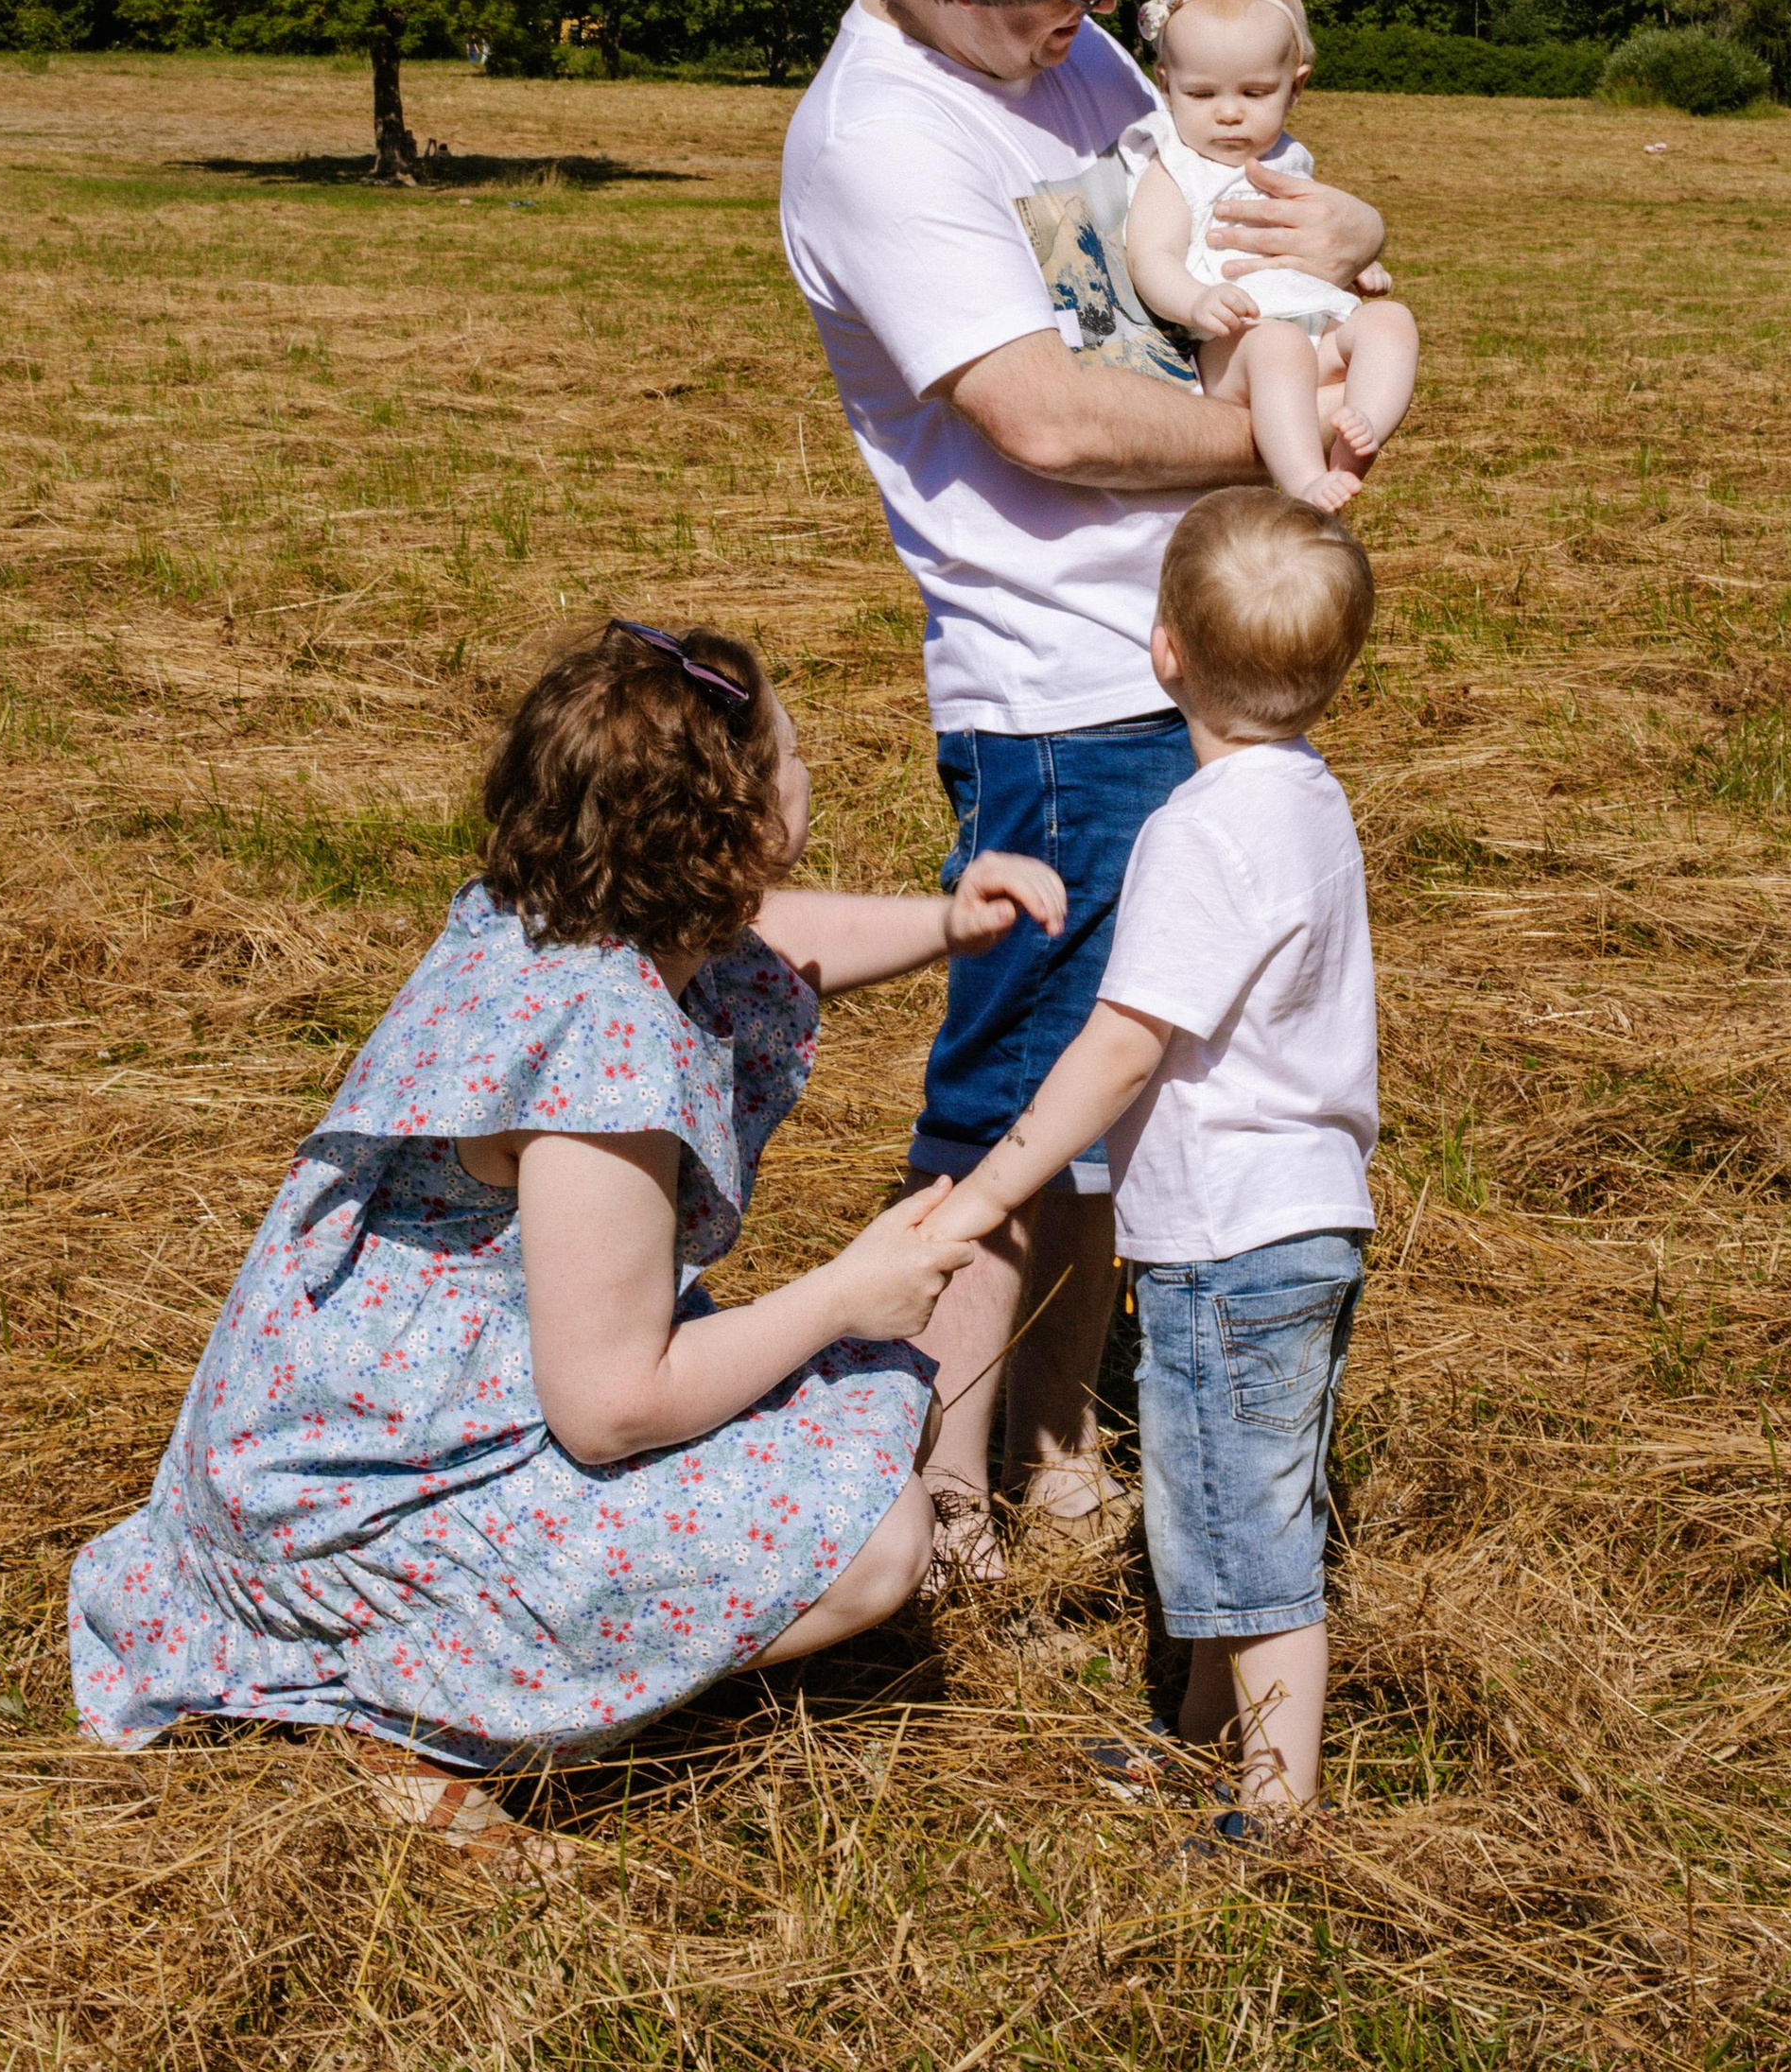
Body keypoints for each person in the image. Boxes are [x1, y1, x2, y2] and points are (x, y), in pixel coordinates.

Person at [67, 619, 1054, 1851]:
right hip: (369, 1502)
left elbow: (777, 941)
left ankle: (432, 1680)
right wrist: (845, 1294)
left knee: (826, 1436)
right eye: (790, 756)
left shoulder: (549, 919)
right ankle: (424, 1720)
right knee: (875, 1542)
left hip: (327, 1436)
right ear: (739, 831)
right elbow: (611, 1404)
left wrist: (947, 923)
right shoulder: (604, 1061)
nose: (812, 768)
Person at [777, 0, 1389, 1568]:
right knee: (1021, 1111)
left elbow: (1239, 215)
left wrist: (1338, 261)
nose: (1090, 32)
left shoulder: (1072, 56)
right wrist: (1266, 442)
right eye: (1058, 2)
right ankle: (929, 1499)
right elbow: (1036, 411)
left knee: (1138, 1102)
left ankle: (1049, 1453)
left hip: (1180, 653)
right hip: (1059, 689)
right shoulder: (882, 138)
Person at [937, 491, 1379, 1835]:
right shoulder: (1306, 800)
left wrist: (1000, 1179)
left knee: (1249, 1534)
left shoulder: (1194, 834)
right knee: (1218, 1497)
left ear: (1163, 651)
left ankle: (1277, 1799)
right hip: (1304, 1215)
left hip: (1228, 1235)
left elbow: (1123, 1047)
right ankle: (1200, 1736)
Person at [1123, 0, 1419, 514]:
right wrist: (1197, 299)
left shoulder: (1287, 157)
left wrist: (1353, 261)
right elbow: (1150, 255)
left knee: (1391, 320)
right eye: (1202, 94)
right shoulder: (1175, 166)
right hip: (1236, 346)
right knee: (1279, 346)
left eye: (1255, 93)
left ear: (1295, 87)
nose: (1229, 114)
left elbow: (1309, 233)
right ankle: (1306, 480)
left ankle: (1363, 429)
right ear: (1166, 86)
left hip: (1318, 328)